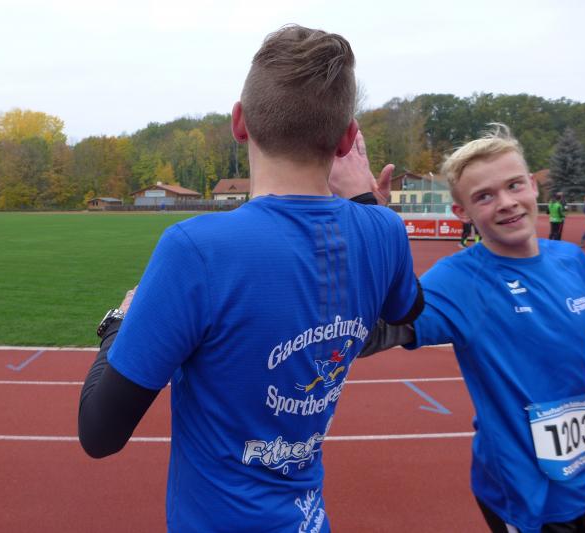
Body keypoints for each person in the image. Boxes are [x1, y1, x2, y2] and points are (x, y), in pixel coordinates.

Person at [78, 25, 423, 532]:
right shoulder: (384, 229)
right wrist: (366, 203)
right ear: (348, 138)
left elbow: (99, 433)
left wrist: (118, 322)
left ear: (239, 122)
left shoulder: (196, 250)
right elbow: (406, 309)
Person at [343, 124, 585, 533]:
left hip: (578, 481)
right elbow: (363, 334)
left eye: (514, 185)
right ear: (462, 213)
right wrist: (365, 221)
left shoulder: (572, 262)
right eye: (484, 196)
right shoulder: (461, 281)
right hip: (523, 499)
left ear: (533, 186)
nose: (506, 203)